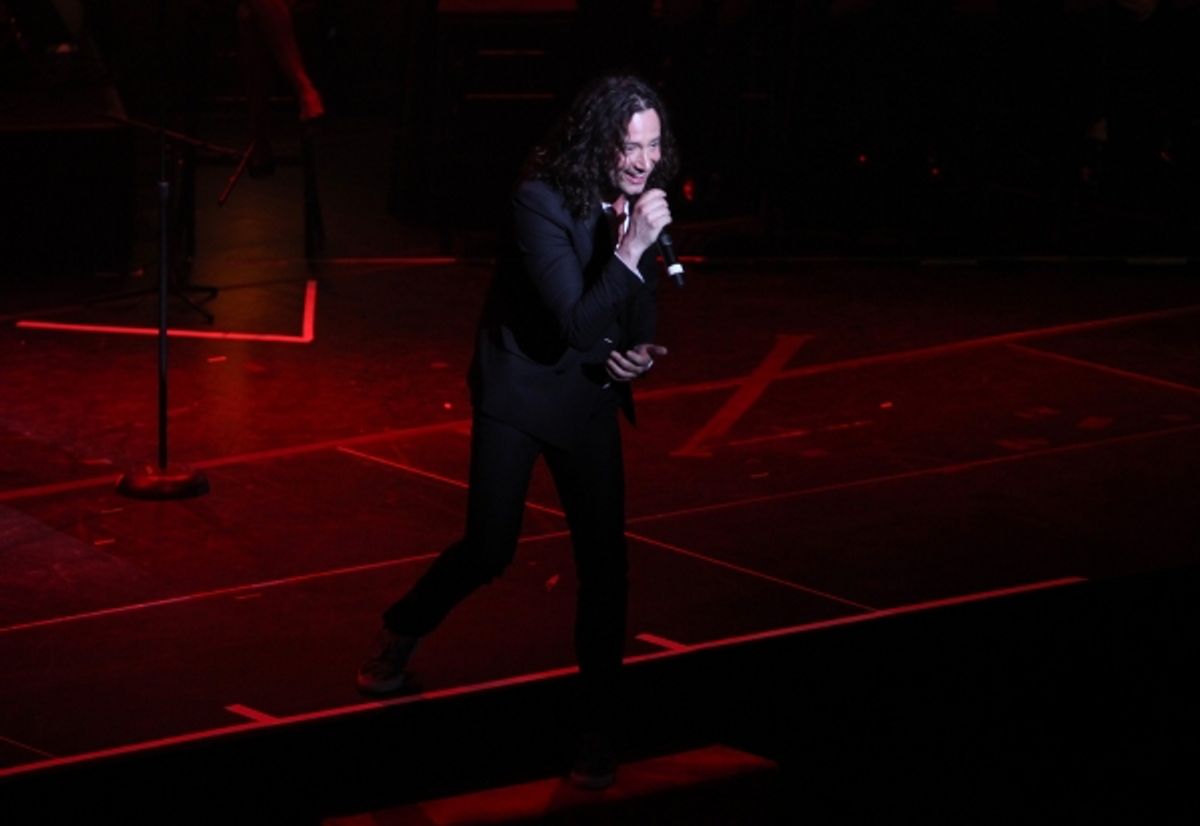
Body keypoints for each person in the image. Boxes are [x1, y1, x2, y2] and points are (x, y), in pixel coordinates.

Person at [357, 74, 679, 790]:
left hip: (589, 393)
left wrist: (638, 353)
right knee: (490, 545)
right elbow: (571, 318)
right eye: (630, 146)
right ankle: (404, 625)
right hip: (522, 389)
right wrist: (631, 249)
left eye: (653, 146)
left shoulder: (637, 209)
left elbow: (635, 306)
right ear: (598, 141)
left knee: (606, 564)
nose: (642, 161)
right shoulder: (538, 201)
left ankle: (597, 728)